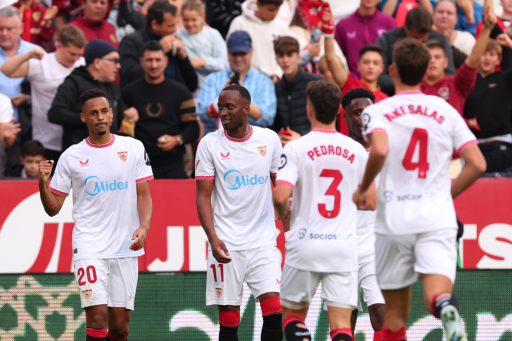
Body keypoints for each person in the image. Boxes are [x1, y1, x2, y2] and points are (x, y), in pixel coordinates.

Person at [352, 38, 486, 341]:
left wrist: (362, 189)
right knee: (437, 294)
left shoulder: (378, 109)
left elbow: (381, 149)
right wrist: (444, 194)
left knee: (395, 321)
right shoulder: (446, 109)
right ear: (427, 70)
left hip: (394, 220)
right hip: (436, 217)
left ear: (392, 70)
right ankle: (446, 308)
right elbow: (477, 164)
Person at [38, 88, 153, 341]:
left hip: (125, 246)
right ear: (83, 118)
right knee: (98, 318)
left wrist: (143, 227)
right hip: (89, 245)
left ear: (111, 114)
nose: (99, 117)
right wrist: (42, 183)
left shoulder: (133, 147)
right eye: (93, 113)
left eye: (104, 111)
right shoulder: (71, 156)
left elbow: (143, 195)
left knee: (120, 327)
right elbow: (53, 208)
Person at [272, 80, 377, 341]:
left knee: (294, 317)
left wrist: (285, 212)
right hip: (343, 246)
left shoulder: (295, 148)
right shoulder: (357, 152)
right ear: (336, 112)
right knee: (342, 325)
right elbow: (371, 201)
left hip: (305, 243)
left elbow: (280, 195)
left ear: (309, 110)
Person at [195, 84, 284, 341]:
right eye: (220, 107)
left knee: (275, 308)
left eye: (229, 107)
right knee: (230, 319)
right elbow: (202, 196)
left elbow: (281, 186)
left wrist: (285, 212)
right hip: (227, 242)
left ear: (246, 109)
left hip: (263, 241)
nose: (222, 112)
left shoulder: (269, 139)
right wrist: (213, 237)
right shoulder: (209, 144)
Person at [1, 26, 86, 169]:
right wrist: (28, 55)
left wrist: (28, 98)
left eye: (79, 54)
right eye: (72, 54)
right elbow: (6, 70)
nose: (76, 58)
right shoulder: (43, 63)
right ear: (59, 46)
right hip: (46, 140)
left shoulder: (82, 64)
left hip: (76, 140)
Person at [340, 88, 385, 339]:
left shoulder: (385, 152)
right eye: (356, 113)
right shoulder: (336, 153)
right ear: (344, 117)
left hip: (375, 246)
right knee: (345, 322)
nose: (363, 117)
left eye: (368, 111)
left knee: (382, 317)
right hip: (340, 245)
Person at [123, 41, 199, 179]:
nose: (154, 65)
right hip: (139, 164)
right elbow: (120, 130)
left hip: (173, 163)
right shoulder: (129, 92)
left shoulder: (181, 92)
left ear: (166, 61)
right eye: (149, 60)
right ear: (141, 62)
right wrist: (126, 122)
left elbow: (193, 129)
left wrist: (176, 140)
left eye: (158, 60)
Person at [49, 39, 138, 151]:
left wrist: (128, 118)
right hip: (81, 157)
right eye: (114, 61)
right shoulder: (73, 83)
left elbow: (118, 121)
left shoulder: (113, 88)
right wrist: (88, 119)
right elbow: (55, 113)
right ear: (97, 63)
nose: (119, 66)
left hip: (109, 155)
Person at [197, 31, 276, 135]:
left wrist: (242, 100)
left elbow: (267, 118)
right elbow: (203, 115)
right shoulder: (212, 79)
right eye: (234, 53)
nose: (238, 58)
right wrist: (221, 99)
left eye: (242, 53)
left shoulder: (264, 81)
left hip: (252, 142)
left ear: (251, 52)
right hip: (217, 142)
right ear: (228, 52)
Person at [322, 11, 388, 135]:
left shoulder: (386, 100)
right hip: (346, 151)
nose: (370, 66)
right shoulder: (349, 84)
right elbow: (330, 57)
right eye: (366, 62)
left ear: (382, 68)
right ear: (358, 66)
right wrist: (328, 32)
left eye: (375, 63)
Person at [422, 5, 496, 116]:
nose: (432, 61)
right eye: (428, 58)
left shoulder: (457, 84)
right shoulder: (414, 87)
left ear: (446, 62)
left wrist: (486, 29)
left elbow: (474, 58)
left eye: (437, 57)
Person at [119, 1, 197, 92]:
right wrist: (158, 50)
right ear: (155, 25)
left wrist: (183, 58)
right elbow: (127, 78)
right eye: (170, 25)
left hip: (175, 100)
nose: (175, 29)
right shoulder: (132, 42)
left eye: (176, 24)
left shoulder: (174, 40)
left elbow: (192, 85)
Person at [376, 6, 454, 96]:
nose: (419, 42)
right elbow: (378, 76)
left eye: (423, 39)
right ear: (405, 27)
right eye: (415, 37)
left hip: (433, 95)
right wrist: (410, 84)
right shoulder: (387, 39)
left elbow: (448, 74)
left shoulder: (440, 39)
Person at [464, 37, 512, 174]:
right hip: (472, 148)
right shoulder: (467, 81)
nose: (486, 58)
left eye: (492, 54)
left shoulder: (505, 79)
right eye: (483, 53)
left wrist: (509, 43)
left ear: (499, 60)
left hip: (501, 147)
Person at [227, 0, 298, 80]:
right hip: (247, 79)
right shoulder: (240, 23)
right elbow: (230, 53)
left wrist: (277, 74)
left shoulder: (281, 26)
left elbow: (288, 54)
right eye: (270, 10)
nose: (275, 13)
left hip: (276, 80)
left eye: (278, 9)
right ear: (258, 4)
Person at [273, 36, 321, 145]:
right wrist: (277, 137)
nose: (285, 60)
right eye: (281, 56)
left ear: (298, 57)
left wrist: (302, 137)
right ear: (276, 59)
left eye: (289, 55)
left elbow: (327, 121)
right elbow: (273, 124)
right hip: (284, 150)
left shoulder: (316, 83)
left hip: (313, 148)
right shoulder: (276, 88)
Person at [176, 0, 229, 93]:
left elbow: (225, 63)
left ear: (202, 17)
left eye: (194, 20)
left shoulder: (213, 34)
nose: (190, 24)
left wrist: (202, 62)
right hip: (190, 87)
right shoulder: (178, 34)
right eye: (186, 20)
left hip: (214, 87)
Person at [335, 0, 396, 79]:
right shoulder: (343, 25)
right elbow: (337, 57)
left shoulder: (389, 22)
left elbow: (395, 56)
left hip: (384, 83)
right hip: (354, 82)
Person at [0, 7, 40, 122]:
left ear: (21, 28)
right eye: (0, 28)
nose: (4, 33)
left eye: (9, 28)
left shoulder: (36, 53)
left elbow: (50, 90)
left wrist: (28, 99)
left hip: (31, 125)